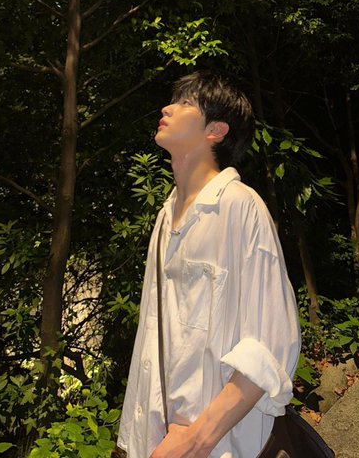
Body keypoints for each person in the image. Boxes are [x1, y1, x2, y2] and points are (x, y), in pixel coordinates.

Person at [117, 71, 301, 458]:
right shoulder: (165, 217)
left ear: (215, 130)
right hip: (155, 441)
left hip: (218, 446)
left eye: (185, 103)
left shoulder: (239, 207)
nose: (167, 108)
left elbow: (271, 344)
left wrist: (196, 439)